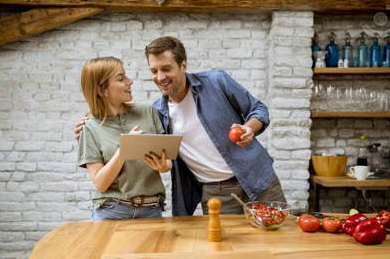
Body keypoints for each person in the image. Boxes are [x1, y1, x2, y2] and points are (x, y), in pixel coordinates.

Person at [75, 37, 285, 216]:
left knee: (278, 240)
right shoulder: (157, 112)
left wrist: (250, 127)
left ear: (183, 65)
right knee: (228, 255)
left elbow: (258, 109)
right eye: (154, 70)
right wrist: (89, 120)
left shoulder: (217, 82)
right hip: (216, 193)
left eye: (166, 69)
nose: (160, 77)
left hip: (258, 178)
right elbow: (121, 118)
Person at [77, 57, 172, 220]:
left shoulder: (148, 112)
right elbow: (101, 183)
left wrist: (164, 166)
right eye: (121, 79)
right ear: (102, 90)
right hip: (111, 212)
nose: (130, 81)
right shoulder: (89, 127)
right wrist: (125, 149)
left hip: (151, 210)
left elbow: (167, 161)